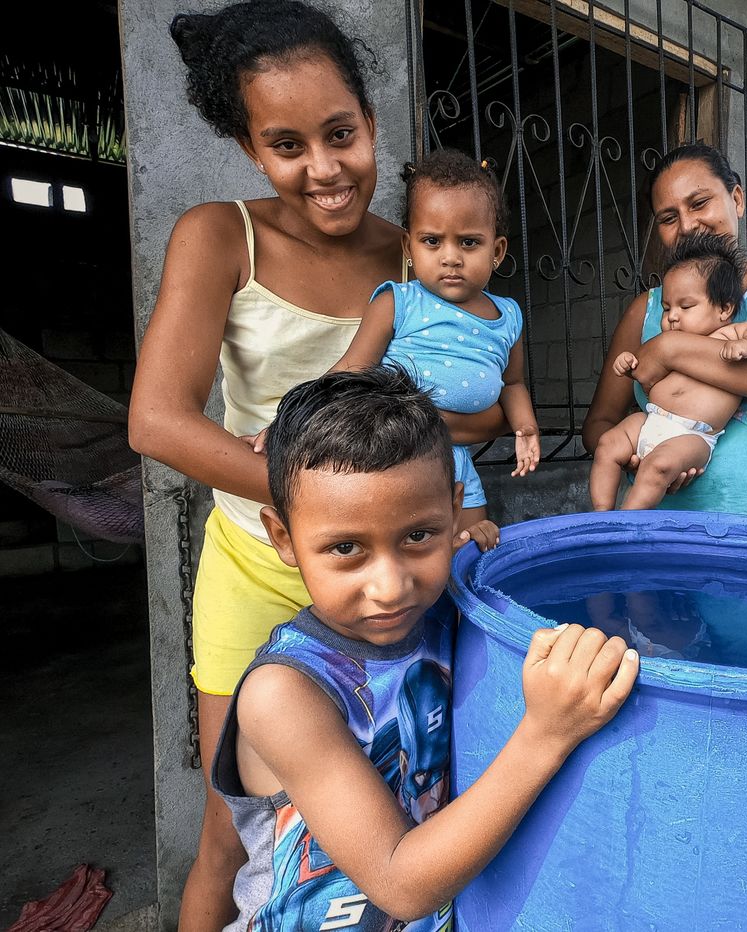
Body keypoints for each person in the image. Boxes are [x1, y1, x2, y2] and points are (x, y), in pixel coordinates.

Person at [127, 3, 505, 927]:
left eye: (340, 135)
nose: (325, 168)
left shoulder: (417, 252)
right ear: (249, 148)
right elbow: (157, 421)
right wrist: (321, 512)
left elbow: (475, 403)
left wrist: (434, 483)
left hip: (396, 568)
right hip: (259, 562)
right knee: (230, 831)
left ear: (371, 123)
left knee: (410, 785)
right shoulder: (222, 235)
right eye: (287, 145)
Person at [214, 364, 638, 929]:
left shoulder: (442, 615)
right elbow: (400, 885)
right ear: (283, 538)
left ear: (454, 509)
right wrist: (548, 734)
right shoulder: (286, 694)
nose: (391, 587)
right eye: (346, 548)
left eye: (418, 536)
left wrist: (471, 561)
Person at [582, 143, 747, 523]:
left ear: (736, 199)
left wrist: (670, 349)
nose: (687, 225)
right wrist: (636, 456)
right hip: (666, 531)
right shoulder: (646, 310)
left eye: (700, 203)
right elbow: (598, 425)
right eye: (668, 217)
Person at [290, 147, 539, 531]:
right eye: (433, 241)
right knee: (411, 543)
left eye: (469, 243)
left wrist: (527, 429)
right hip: (394, 458)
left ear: (498, 250)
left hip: (457, 462)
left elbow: (513, 383)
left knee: (472, 545)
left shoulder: (508, 317)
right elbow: (349, 372)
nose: (451, 257)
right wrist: (294, 420)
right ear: (409, 248)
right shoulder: (398, 303)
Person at [589, 232, 747, 511]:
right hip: (651, 419)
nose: (672, 316)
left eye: (686, 306)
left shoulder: (730, 335)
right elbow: (643, 372)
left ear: (724, 308)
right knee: (608, 443)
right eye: (666, 308)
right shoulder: (663, 343)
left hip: (694, 436)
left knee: (658, 467)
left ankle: (626, 522)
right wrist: (628, 362)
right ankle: (602, 514)